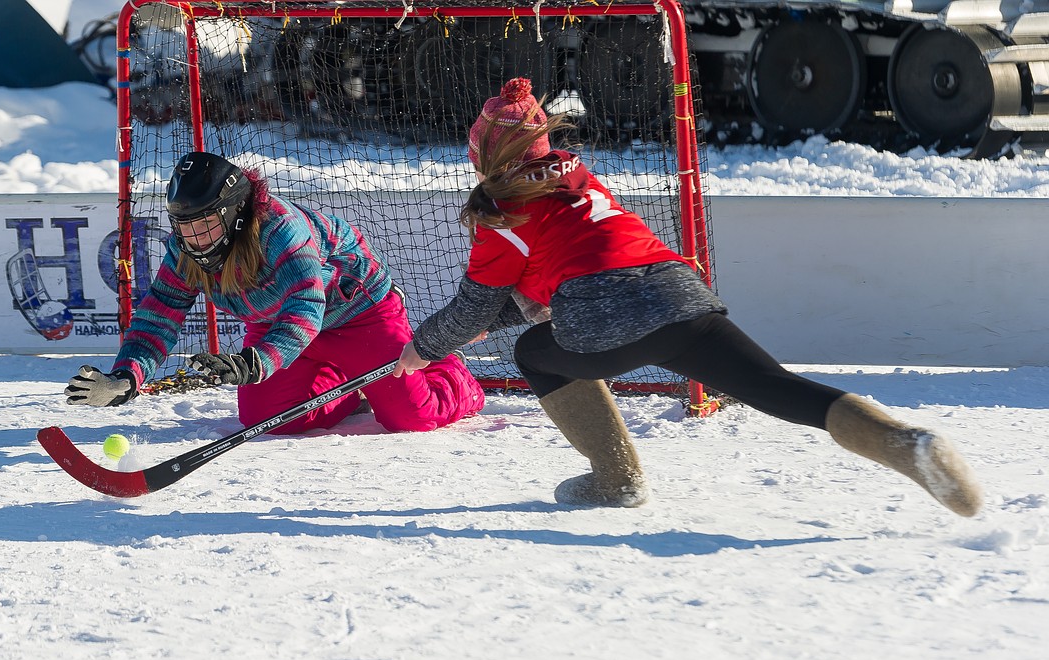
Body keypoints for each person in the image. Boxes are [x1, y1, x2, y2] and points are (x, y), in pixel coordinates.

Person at [394, 77, 984, 517]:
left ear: (487, 155)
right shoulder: (579, 179)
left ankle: (615, 478)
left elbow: (476, 303)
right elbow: (547, 274)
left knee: (533, 352)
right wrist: (486, 321)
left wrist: (421, 349)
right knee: (774, 387)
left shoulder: (501, 211)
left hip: (603, 318)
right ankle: (907, 444)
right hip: (677, 293)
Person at [66, 151, 483, 434]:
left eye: (205, 224)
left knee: (411, 416)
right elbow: (161, 312)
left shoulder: (283, 231)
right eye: (184, 227)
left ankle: (452, 369)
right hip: (279, 330)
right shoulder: (186, 246)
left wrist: (255, 363)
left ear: (234, 214)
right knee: (268, 421)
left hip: (360, 317)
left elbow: (305, 310)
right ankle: (353, 386)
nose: (194, 239)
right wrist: (127, 376)